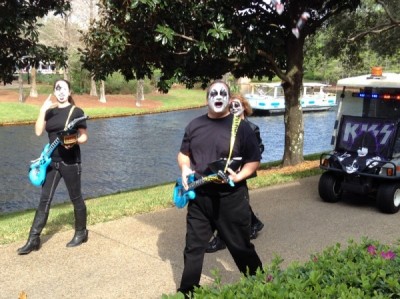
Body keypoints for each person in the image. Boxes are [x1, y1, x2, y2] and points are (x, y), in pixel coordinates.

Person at [177, 80, 263, 297]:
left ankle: (263, 287)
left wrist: (240, 175)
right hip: (199, 197)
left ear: (227, 98)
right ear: (207, 98)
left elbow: (254, 161)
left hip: (231, 198)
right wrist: (185, 168)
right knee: (193, 248)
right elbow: (183, 154)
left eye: (222, 93)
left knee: (240, 247)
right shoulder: (194, 125)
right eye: (213, 93)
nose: (217, 97)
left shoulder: (241, 127)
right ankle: (186, 292)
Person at [17, 79, 89, 255]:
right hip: (51, 162)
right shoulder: (49, 113)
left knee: (76, 198)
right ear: (55, 92)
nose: (61, 92)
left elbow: (84, 137)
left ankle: (81, 232)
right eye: (58, 89)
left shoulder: (76, 111)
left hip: (70, 161)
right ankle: (34, 239)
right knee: (44, 199)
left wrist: (73, 142)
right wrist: (42, 110)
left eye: (64, 89)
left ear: (69, 91)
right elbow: (38, 131)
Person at [206, 94, 265, 253]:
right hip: (226, 169)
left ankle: (223, 238)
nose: (233, 108)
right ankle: (254, 224)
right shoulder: (226, 127)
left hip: (242, 170)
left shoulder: (251, 128)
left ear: (244, 106)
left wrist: (242, 165)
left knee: (231, 201)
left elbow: (258, 150)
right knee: (235, 200)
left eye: (236, 105)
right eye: (230, 106)